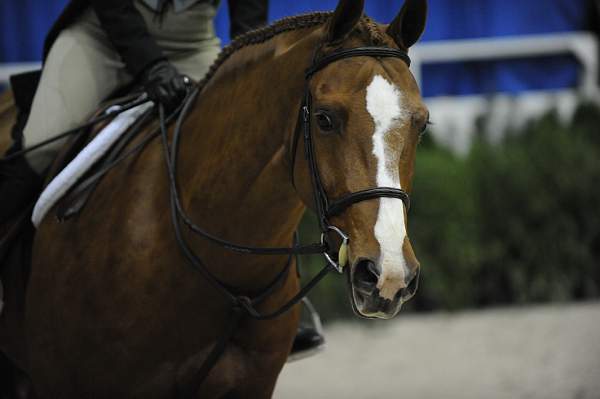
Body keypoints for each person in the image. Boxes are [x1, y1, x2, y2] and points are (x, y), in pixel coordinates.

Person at [0, 0, 323, 359]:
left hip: (191, 45)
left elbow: (249, 15)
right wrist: (151, 66)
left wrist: (246, 73)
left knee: (247, 153)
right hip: (100, 40)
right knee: (40, 148)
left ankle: (275, 304)